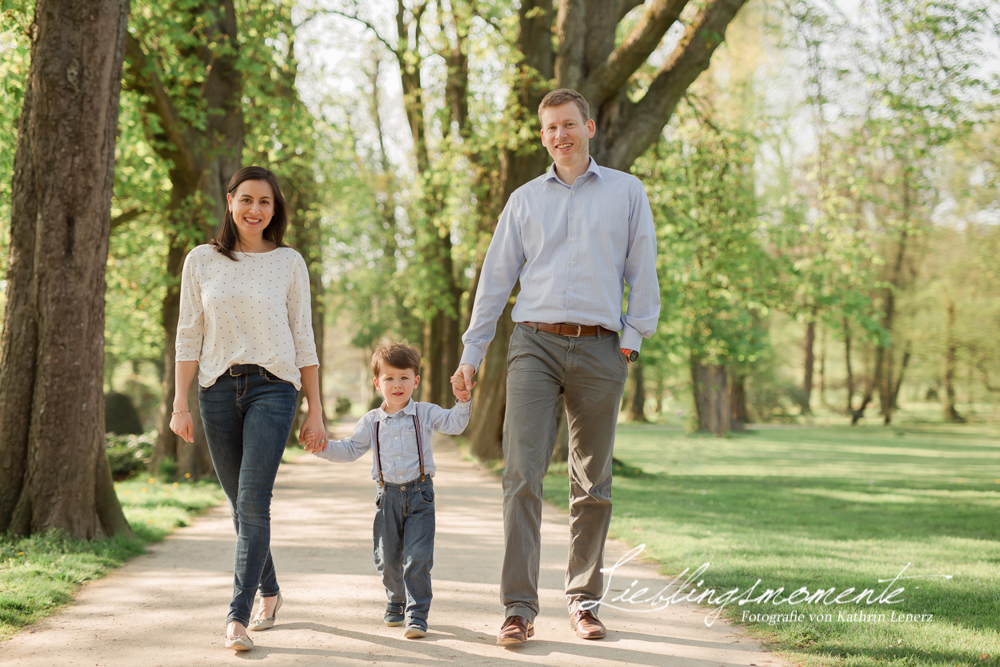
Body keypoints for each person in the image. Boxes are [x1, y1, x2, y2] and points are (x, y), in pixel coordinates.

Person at [453, 88, 660, 645]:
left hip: (601, 347)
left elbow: (643, 269)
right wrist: (472, 353)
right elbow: (495, 282)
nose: (559, 136)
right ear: (542, 136)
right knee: (521, 473)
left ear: (589, 127)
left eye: (568, 125)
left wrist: (632, 340)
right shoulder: (523, 200)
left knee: (593, 482)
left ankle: (584, 601)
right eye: (549, 129)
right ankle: (518, 607)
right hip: (533, 344)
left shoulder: (626, 191)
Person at [170, 165, 327, 651]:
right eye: (247, 200)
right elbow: (188, 334)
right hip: (216, 389)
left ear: (274, 209)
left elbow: (303, 337)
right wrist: (179, 403)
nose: (255, 210)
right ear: (230, 201)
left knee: (254, 502)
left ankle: (236, 617)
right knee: (242, 507)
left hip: (274, 389)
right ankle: (272, 591)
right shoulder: (201, 260)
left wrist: (314, 410)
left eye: (265, 202)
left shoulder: (289, 262)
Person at [302, 343, 472, 639]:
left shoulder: (426, 413)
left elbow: (455, 424)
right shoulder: (371, 421)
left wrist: (462, 400)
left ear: (415, 381)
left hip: (421, 494)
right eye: (389, 378)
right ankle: (396, 599)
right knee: (386, 557)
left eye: (404, 377)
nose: (397, 385)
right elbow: (350, 449)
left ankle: (417, 614)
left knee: (418, 556)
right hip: (388, 496)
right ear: (377, 383)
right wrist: (324, 447)